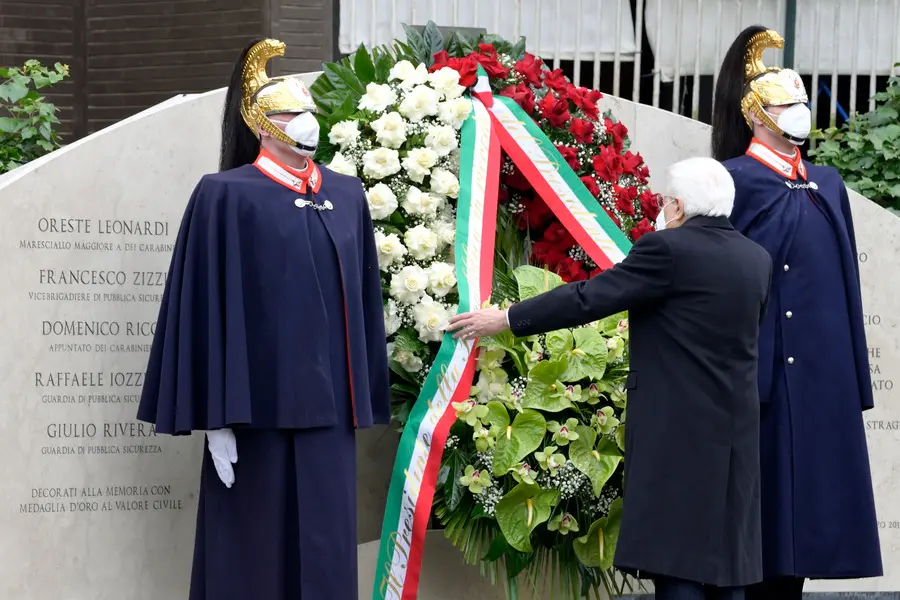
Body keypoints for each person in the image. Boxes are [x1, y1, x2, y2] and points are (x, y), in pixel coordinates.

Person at [448, 157, 771, 600]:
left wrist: (506, 317)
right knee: (727, 566)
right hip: (735, 433)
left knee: (677, 566)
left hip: (675, 432)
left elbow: (590, 298)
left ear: (677, 207)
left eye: (664, 201)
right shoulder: (756, 258)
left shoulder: (668, 250)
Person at [137, 38, 391, 599]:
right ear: (260, 122)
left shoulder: (346, 195)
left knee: (326, 550)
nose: (307, 123)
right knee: (250, 553)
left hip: (329, 413)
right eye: (291, 113)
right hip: (254, 410)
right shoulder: (226, 195)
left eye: (311, 112)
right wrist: (216, 417)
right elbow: (203, 303)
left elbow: (363, 301)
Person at [711, 26, 882, 599]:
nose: (800, 112)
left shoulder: (826, 182)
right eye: (787, 103)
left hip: (822, 378)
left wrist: (853, 374)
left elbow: (847, 283)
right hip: (761, 377)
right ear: (757, 114)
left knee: (809, 524)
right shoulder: (733, 180)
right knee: (762, 528)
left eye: (802, 101)